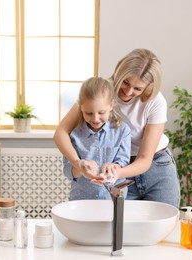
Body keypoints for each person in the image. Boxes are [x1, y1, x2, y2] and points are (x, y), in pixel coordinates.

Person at [54, 48, 180, 207]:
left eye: (138, 88)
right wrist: (78, 163)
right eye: (125, 82)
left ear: (148, 86)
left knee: (163, 222)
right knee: (123, 226)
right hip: (120, 170)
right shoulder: (101, 91)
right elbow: (61, 133)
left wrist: (117, 173)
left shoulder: (156, 102)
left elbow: (144, 159)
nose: (128, 91)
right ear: (119, 72)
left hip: (156, 167)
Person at [61, 76, 131, 200]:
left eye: (101, 112)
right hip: (81, 201)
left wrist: (114, 167)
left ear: (111, 105)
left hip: (113, 201)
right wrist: (81, 167)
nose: (95, 119)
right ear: (80, 107)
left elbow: (123, 162)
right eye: (88, 113)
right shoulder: (74, 135)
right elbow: (68, 170)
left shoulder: (122, 130)